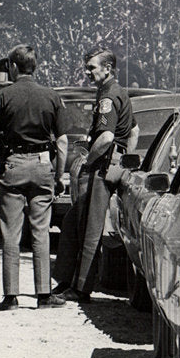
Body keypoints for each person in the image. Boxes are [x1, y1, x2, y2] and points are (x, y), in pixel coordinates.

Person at [0, 45, 69, 310]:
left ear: (13, 66)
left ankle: (11, 296)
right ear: (35, 66)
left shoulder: (3, 96)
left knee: (11, 233)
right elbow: (62, 142)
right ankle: (43, 294)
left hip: (14, 164)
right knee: (41, 233)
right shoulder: (52, 96)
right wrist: (59, 175)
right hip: (43, 164)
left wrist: (1, 152)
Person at [54, 49, 138, 303]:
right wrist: (123, 160)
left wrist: (91, 162)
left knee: (89, 228)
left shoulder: (109, 96)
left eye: (92, 68)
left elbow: (107, 137)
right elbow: (134, 131)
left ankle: (80, 289)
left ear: (108, 68)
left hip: (101, 166)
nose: (88, 72)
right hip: (112, 163)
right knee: (73, 221)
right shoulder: (118, 92)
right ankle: (69, 281)